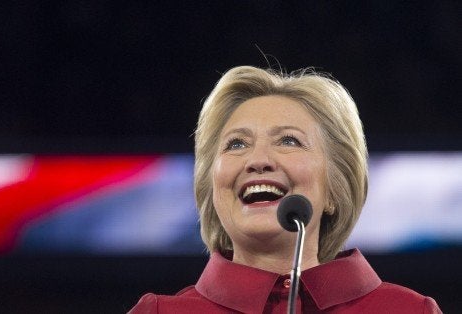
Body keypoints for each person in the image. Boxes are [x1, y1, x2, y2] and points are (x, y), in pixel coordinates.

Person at [129, 66, 442, 313]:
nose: (258, 160)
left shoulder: (408, 310)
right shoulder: (160, 312)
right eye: (237, 143)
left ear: (336, 187)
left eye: (288, 141)